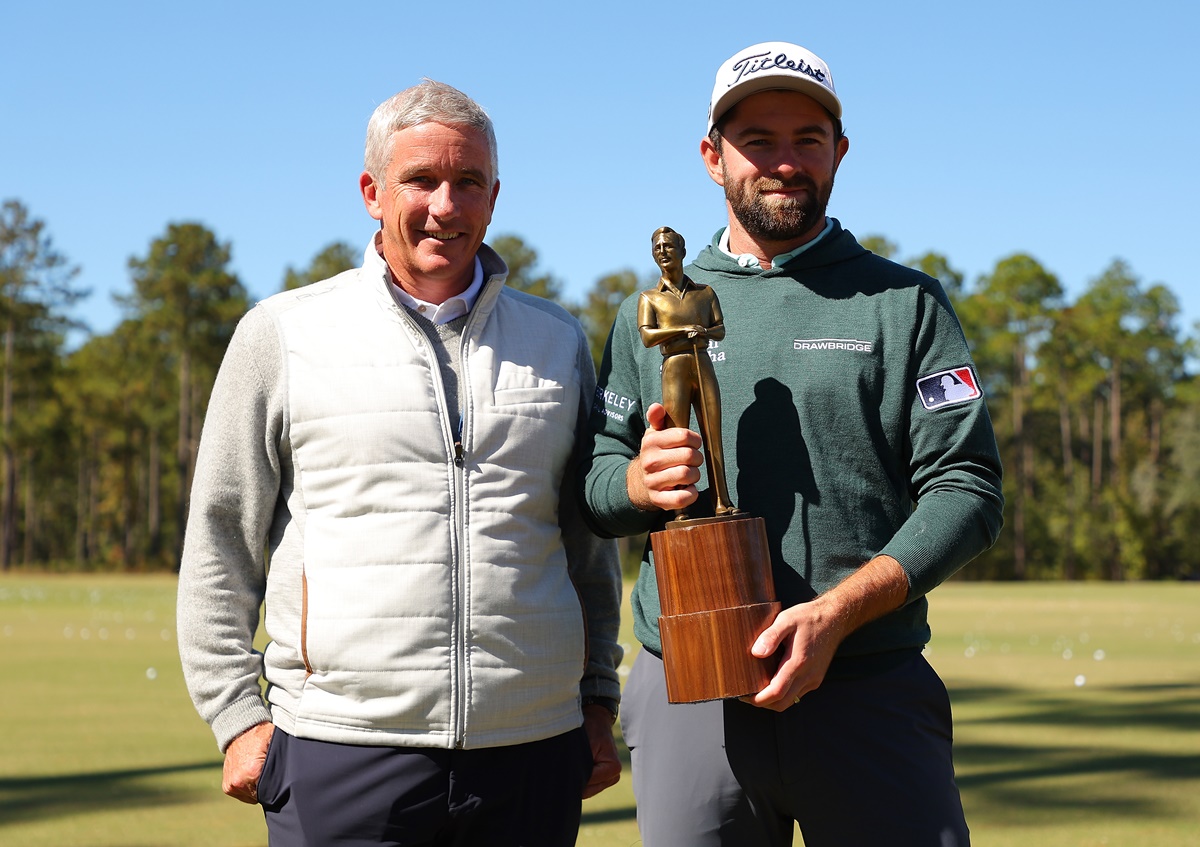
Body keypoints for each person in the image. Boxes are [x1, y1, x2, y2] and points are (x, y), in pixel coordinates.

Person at [177, 79, 623, 847]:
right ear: (372, 191)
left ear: (493, 196)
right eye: (421, 180)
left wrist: (595, 697)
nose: (445, 206)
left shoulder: (558, 341)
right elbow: (221, 535)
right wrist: (236, 717)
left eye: (468, 182)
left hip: (533, 750)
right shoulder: (283, 333)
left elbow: (586, 546)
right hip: (339, 750)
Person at [582, 42, 1004, 846]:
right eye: (757, 140)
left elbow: (968, 490)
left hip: (868, 687)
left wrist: (838, 613)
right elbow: (598, 481)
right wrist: (638, 483)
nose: (784, 162)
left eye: (807, 139)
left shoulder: (905, 303)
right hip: (690, 697)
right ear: (713, 157)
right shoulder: (651, 311)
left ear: (839, 151)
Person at [638, 226, 735, 517]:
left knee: (712, 434)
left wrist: (703, 330)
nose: (663, 251)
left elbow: (720, 330)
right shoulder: (650, 298)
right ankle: (682, 510)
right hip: (674, 368)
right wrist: (684, 329)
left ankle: (722, 501)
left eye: (668, 246)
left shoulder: (705, 294)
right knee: (677, 438)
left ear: (682, 251)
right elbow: (647, 337)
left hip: (702, 362)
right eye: (657, 247)